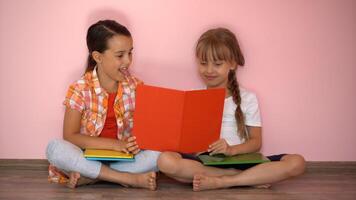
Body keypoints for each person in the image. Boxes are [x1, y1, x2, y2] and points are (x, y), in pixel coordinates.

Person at [157, 27, 306, 191]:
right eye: (203, 63)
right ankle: (242, 179)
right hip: (205, 162)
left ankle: (224, 181)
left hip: (241, 159)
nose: (209, 70)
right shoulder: (192, 97)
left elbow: (256, 142)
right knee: (165, 160)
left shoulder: (248, 98)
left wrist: (231, 150)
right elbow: (183, 142)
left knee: (297, 162)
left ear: (233, 64)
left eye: (217, 64)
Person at [46, 20, 160, 190]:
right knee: (55, 148)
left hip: (124, 160)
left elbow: (148, 130)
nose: (128, 61)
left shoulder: (137, 87)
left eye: (130, 53)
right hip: (87, 158)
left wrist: (137, 143)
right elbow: (70, 136)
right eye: (120, 55)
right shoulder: (79, 88)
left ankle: (93, 176)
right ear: (98, 57)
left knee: (161, 155)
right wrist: (116, 145)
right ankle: (126, 178)